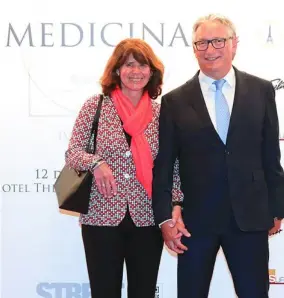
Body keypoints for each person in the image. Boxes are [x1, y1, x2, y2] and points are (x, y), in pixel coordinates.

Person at [152, 14, 284, 298]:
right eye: (202, 43)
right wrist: (165, 218)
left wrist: (277, 207)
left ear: (234, 44)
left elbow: (270, 153)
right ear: (194, 48)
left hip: (250, 216)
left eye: (218, 41)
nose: (210, 49)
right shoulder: (174, 101)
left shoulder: (261, 90)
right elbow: (164, 164)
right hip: (195, 223)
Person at [65, 38, 183, 298]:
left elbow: (172, 165)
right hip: (101, 216)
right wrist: (96, 162)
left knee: (143, 292)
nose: (136, 71)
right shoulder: (95, 106)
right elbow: (72, 153)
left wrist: (176, 203)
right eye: (129, 64)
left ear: (151, 72)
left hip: (148, 217)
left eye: (143, 66)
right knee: (104, 291)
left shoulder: (161, 113)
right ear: (117, 70)